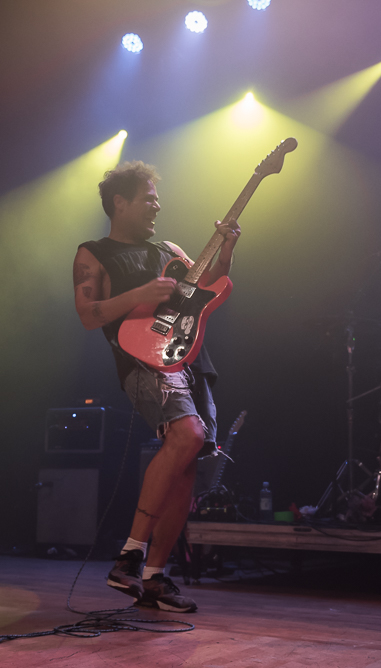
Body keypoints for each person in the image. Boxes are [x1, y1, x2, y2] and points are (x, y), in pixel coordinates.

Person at [73, 161, 239, 613]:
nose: (158, 205)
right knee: (188, 434)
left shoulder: (170, 250)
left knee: (188, 461)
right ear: (120, 203)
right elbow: (87, 315)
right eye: (149, 198)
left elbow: (207, 286)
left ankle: (155, 578)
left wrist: (226, 251)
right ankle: (129, 555)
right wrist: (137, 296)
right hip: (141, 358)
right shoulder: (93, 253)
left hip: (191, 360)